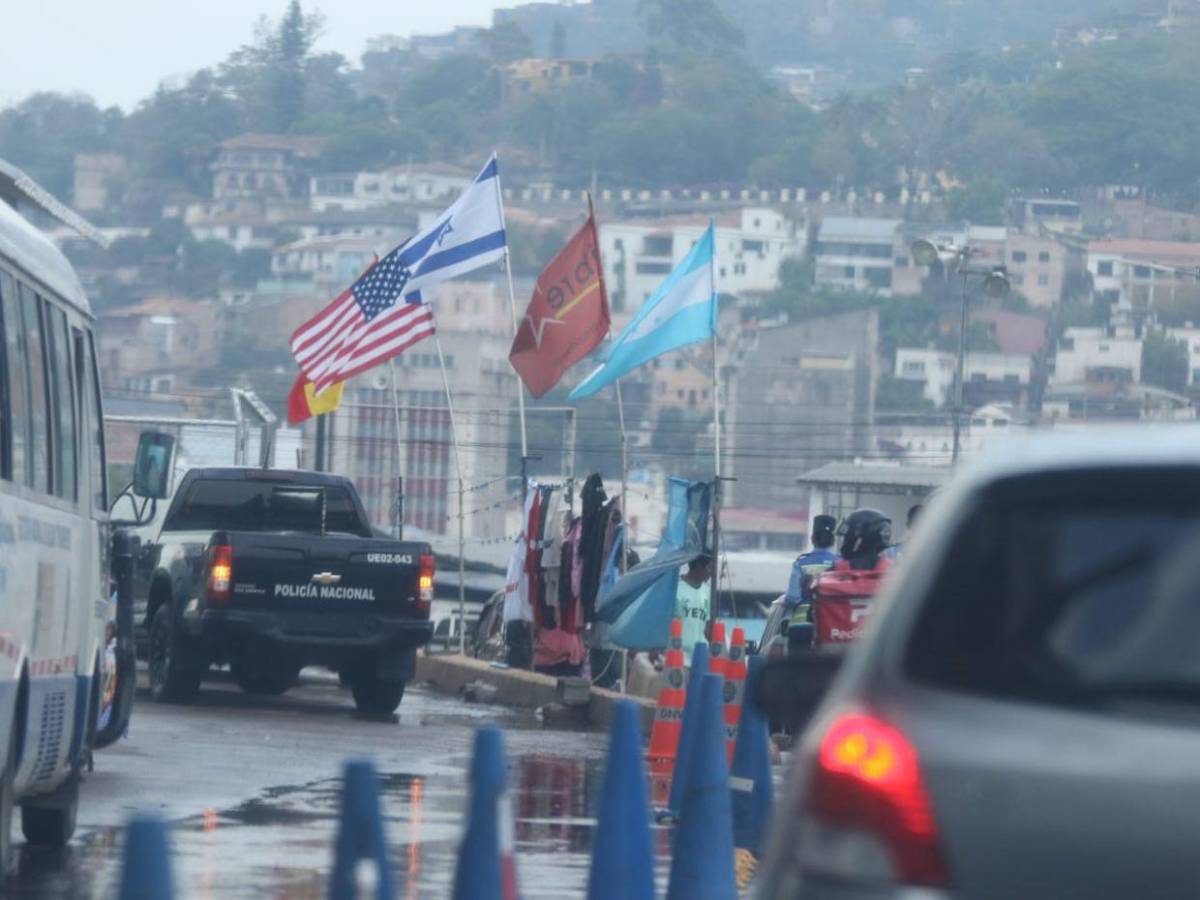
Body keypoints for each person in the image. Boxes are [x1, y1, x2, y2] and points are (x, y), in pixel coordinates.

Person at [811, 509, 893, 646]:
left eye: (846, 536)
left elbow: (812, 615)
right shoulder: (897, 573)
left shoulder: (832, 572)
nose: (844, 541)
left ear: (857, 538)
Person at [784, 515, 839, 654]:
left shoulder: (801, 563)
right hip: (831, 629)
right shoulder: (841, 564)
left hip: (801, 627)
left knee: (798, 673)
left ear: (812, 539)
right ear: (833, 540)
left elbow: (792, 598)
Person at [675, 554, 713, 665]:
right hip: (678, 659)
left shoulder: (707, 591)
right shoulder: (676, 589)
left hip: (700, 660)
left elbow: (707, 626)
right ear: (698, 566)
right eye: (709, 568)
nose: (711, 572)